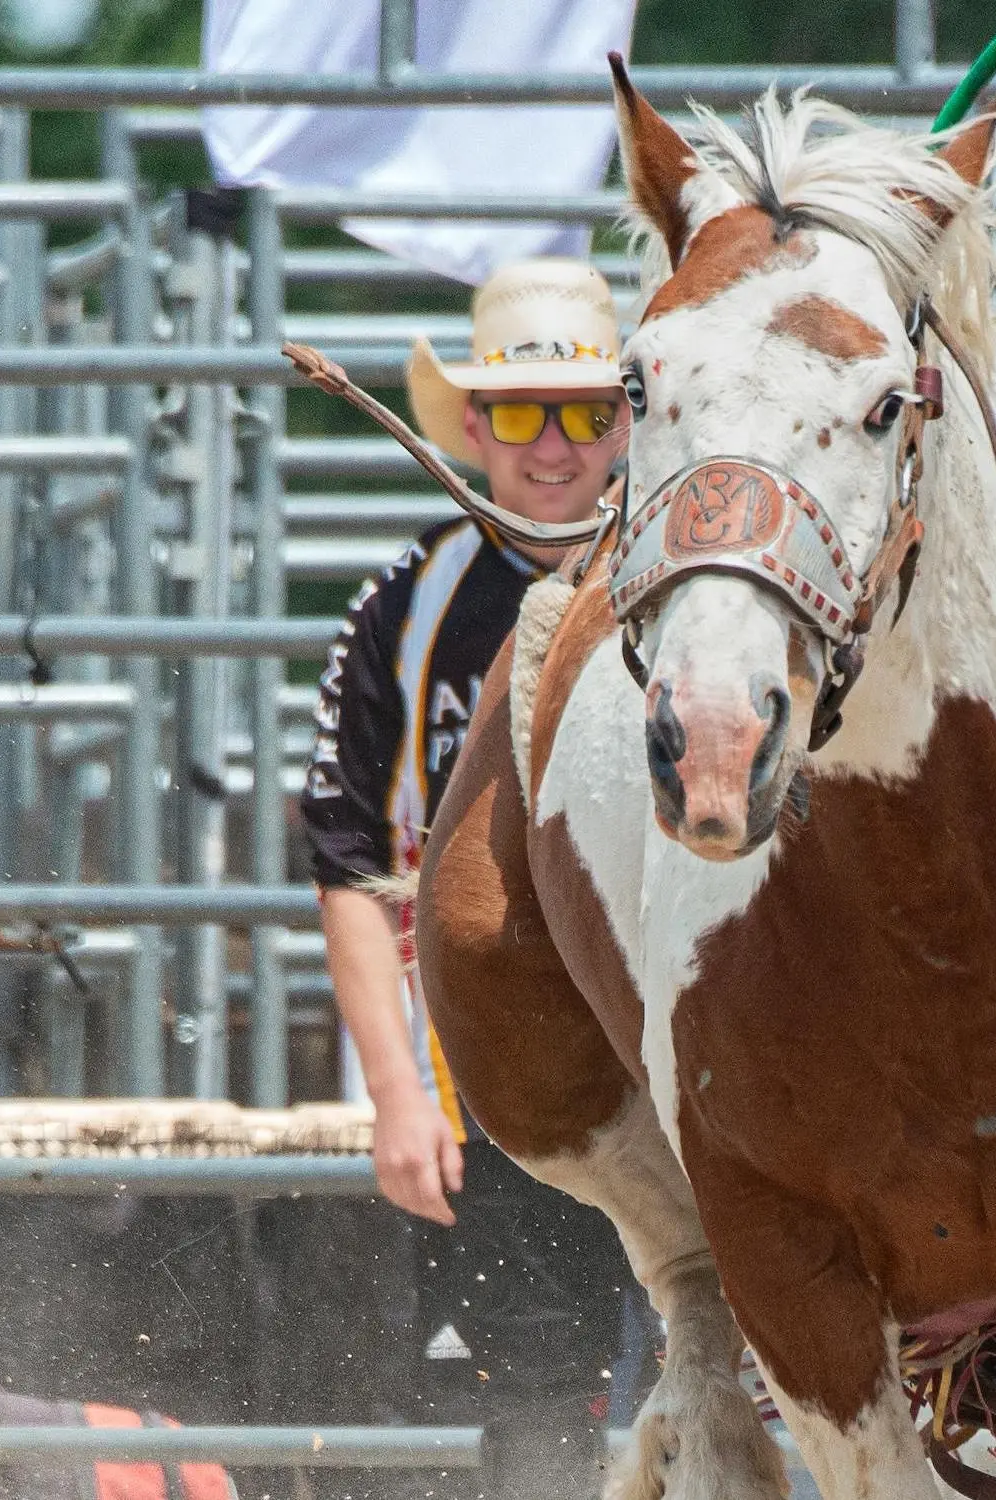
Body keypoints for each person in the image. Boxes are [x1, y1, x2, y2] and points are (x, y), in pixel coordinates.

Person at [300, 257, 638, 1495]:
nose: (550, 445)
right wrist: (399, 1093)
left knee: (723, 1367)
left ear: (624, 423)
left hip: (687, 1070)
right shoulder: (409, 605)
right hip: (494, 1081)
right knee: (536, 1387)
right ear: (474, 425)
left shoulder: (697, 580)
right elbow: (342, 856)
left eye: (585, 412)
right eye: (517, 412)